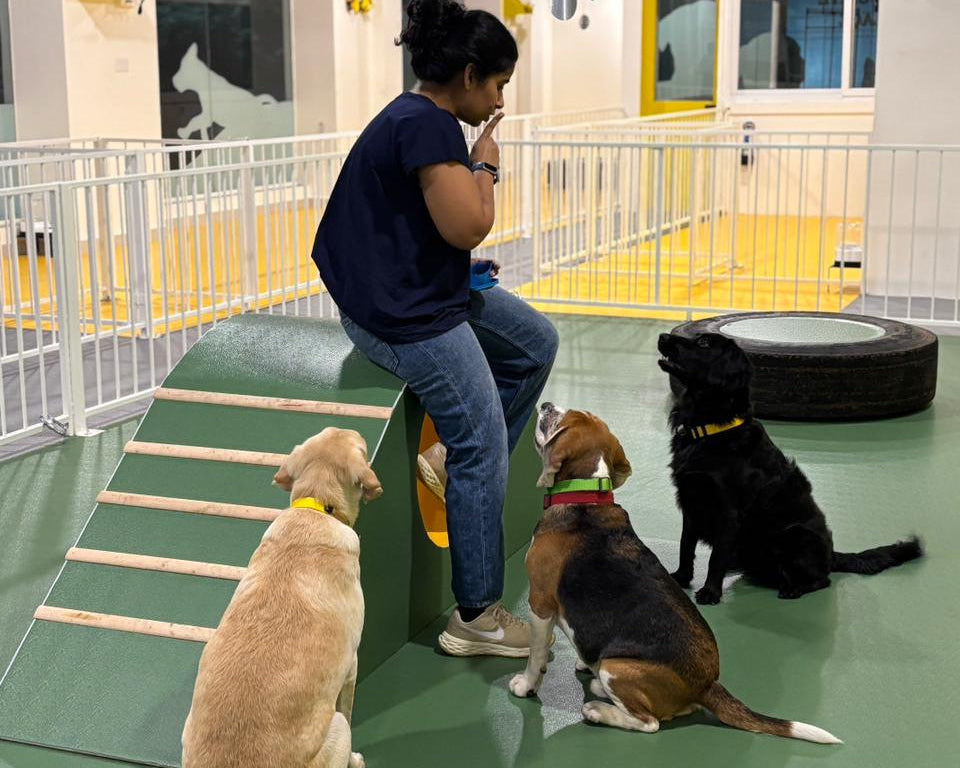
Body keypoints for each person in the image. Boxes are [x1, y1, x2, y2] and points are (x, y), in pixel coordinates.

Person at [310, 0, 558, 658]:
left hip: (422, 287)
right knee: (480, 440)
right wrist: (487, 164)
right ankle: (474, 616)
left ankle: (457, 460)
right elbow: (468, 224)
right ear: (471, 75)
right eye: (499, 84)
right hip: (397, 314)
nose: (500, 97)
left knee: (536, 345)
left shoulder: (420, 118)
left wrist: (461, 265)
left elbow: (434, 230)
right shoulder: (428, 125)